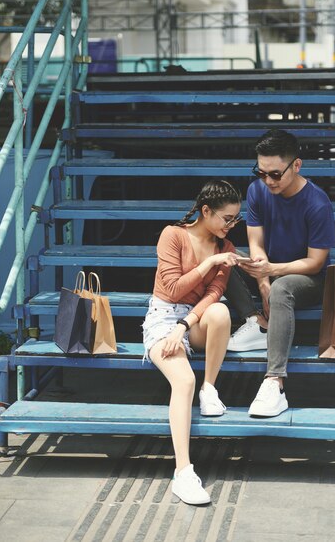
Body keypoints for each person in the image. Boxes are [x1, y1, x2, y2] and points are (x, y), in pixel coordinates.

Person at [141, 179, 242, 505]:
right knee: (183, 380)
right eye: (227, 219)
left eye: (236, 220)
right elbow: (172, 290)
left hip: (190, 322)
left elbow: (213, 294)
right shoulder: (173, 235)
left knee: (221, 312)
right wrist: (209, 263)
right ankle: (183, 473)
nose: (231, 225)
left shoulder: (225, 248)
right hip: (162, 317)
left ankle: (209, 388)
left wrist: (184, 327)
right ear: (205, 211)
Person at [227, 129, 335, 417]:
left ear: (296, 165)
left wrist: (271, 274)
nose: (268, 180)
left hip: (307, 278)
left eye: (275, 174)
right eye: (261, 172)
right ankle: (259, 323)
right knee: (221, 257)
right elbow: (256, 244)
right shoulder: (257, 190)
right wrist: (263, 281)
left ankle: (275, 381)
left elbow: (315, 262)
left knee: (282, 288)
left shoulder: (317, 202)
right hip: (269, 271)